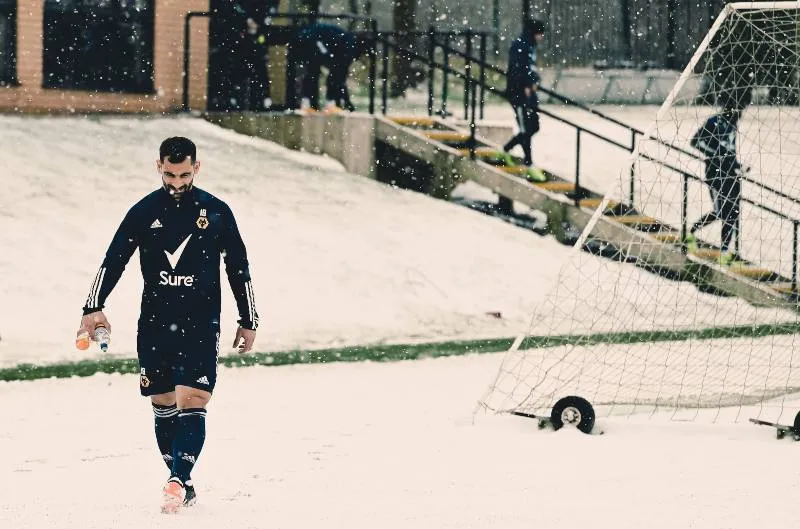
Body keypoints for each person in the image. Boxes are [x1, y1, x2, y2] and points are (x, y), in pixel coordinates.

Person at [77, 137, 259, 513]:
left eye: (185, 174)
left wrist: (248, 319)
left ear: (198, 167)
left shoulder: (216, 211)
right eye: (170, 174)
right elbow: (114, 260)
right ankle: (184, 480)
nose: (177, 182)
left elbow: (238, 268)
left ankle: (175, 480)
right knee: (162, 402)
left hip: (201, 322)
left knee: (193, 399)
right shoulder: (144, 211)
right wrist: (92, 306)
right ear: (157, 166)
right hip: (156, 323)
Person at [688, 104, 746, 265]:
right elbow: (695, 142)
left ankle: (725, 251)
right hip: (715, 174)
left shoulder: (732, 127)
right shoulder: (714, 122)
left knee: (733, 212)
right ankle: (691, 231)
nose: (738, 119)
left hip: (731, 175)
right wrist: (714, 156)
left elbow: (730, 152)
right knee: (721, 211)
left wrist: (737, 166)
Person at [291, 22, 370, 112]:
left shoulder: (346, 42)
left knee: (314, 71)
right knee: (315, 71)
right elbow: (338, 77)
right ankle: (315, 104)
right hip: (310, 38)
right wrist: (346, 102)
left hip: (303, 37)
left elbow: (339, 76)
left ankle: (311, 103)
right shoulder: (349, 46)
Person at [502, 18, 546, 169]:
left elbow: (529, 69)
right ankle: (528, 162)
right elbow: (518, 69)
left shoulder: (529, 46)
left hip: (527, 94)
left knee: (533, 126)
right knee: (525, 127)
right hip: (518, 93)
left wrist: (535, 80)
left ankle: (506, 149)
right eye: (540, 33)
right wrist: (527, 83)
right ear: (535, 33)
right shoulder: (521, 45)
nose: (542, 37)